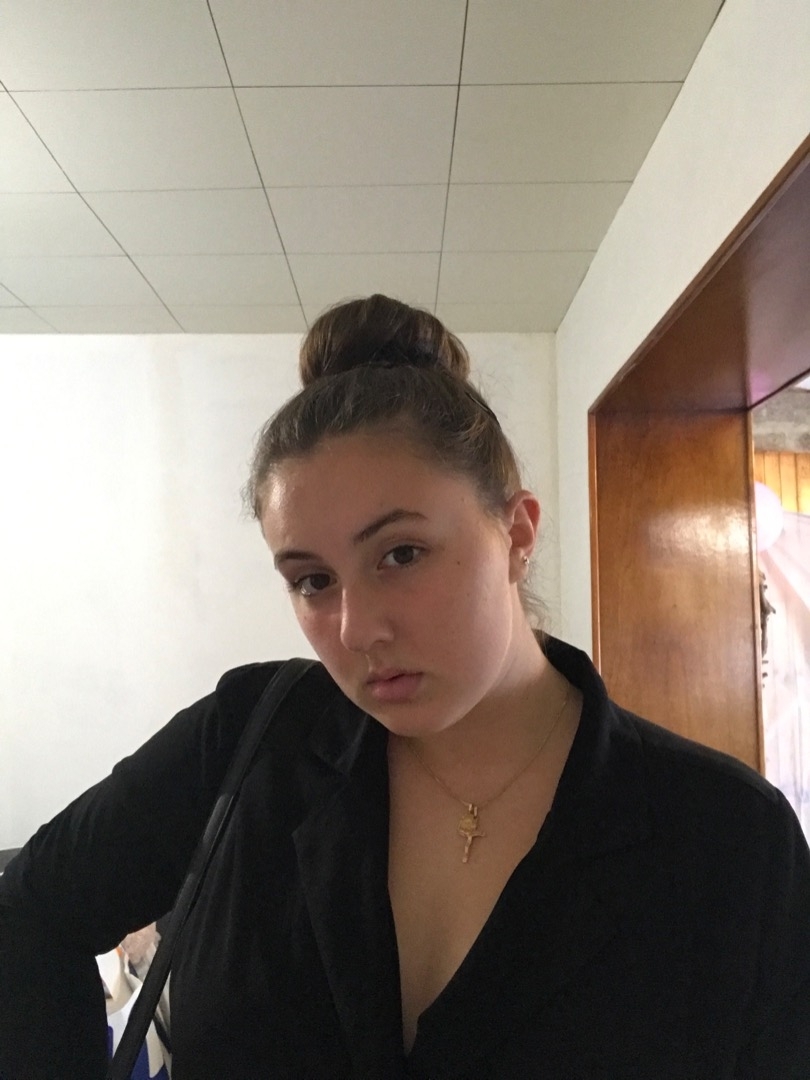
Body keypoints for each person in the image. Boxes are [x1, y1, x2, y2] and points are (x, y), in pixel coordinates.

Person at [1, 294, 809, 1079]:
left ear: (517, 533)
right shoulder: (249, 741)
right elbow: (29, 914)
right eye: (313, 580)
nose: (356, 630)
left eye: (401, 555)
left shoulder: (727, 839)